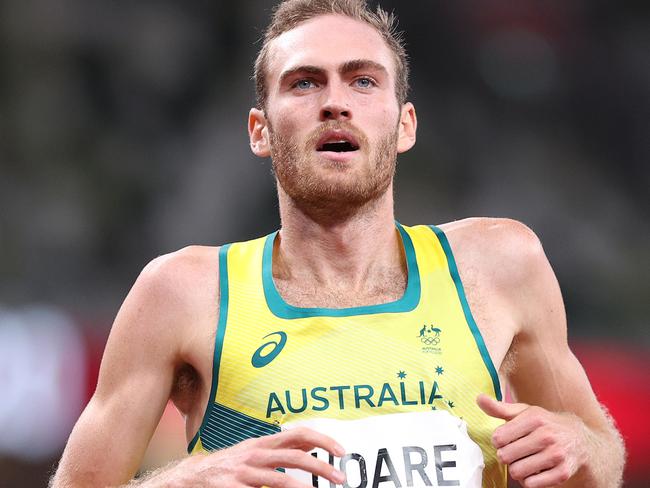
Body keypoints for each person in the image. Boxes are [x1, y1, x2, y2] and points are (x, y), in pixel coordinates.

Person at [51, 1, 625, 487]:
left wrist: (580, 441)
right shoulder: (184, 293)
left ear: (404, 125)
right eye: (305, 82)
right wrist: (190, 478)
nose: (335, 102)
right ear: (260, 130)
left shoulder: (500, 265)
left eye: (363, 80)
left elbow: (601, 455)